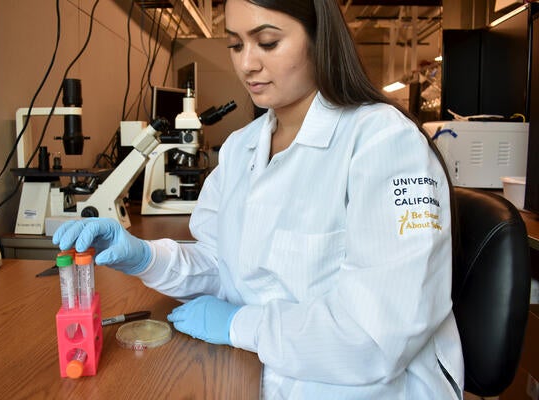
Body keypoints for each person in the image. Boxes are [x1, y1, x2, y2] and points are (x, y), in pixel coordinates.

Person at [53, 0, 464, 398]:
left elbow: (376, 336)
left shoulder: (384, 143)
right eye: (235, 44)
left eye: (267, 42)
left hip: (369, 388)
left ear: (319, 38)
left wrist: (239, 325)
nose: (247, 63)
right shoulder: (241, 149)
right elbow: (222, 265)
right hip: (256, 371)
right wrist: (145, 257)